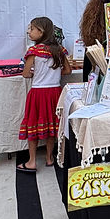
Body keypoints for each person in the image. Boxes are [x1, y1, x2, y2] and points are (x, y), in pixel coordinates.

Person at [17, 18, 71, 171]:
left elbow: (26, 74)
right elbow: (68, 70)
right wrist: (52, 74)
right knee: (52, 126)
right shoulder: (59, 50)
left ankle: (32, 161)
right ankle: (49, 157)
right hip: (54, 93)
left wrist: (37, 73)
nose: (29, 31)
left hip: (38, 94)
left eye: (31, 28)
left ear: (41, 32)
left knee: (32, 125)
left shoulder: (33, 52)